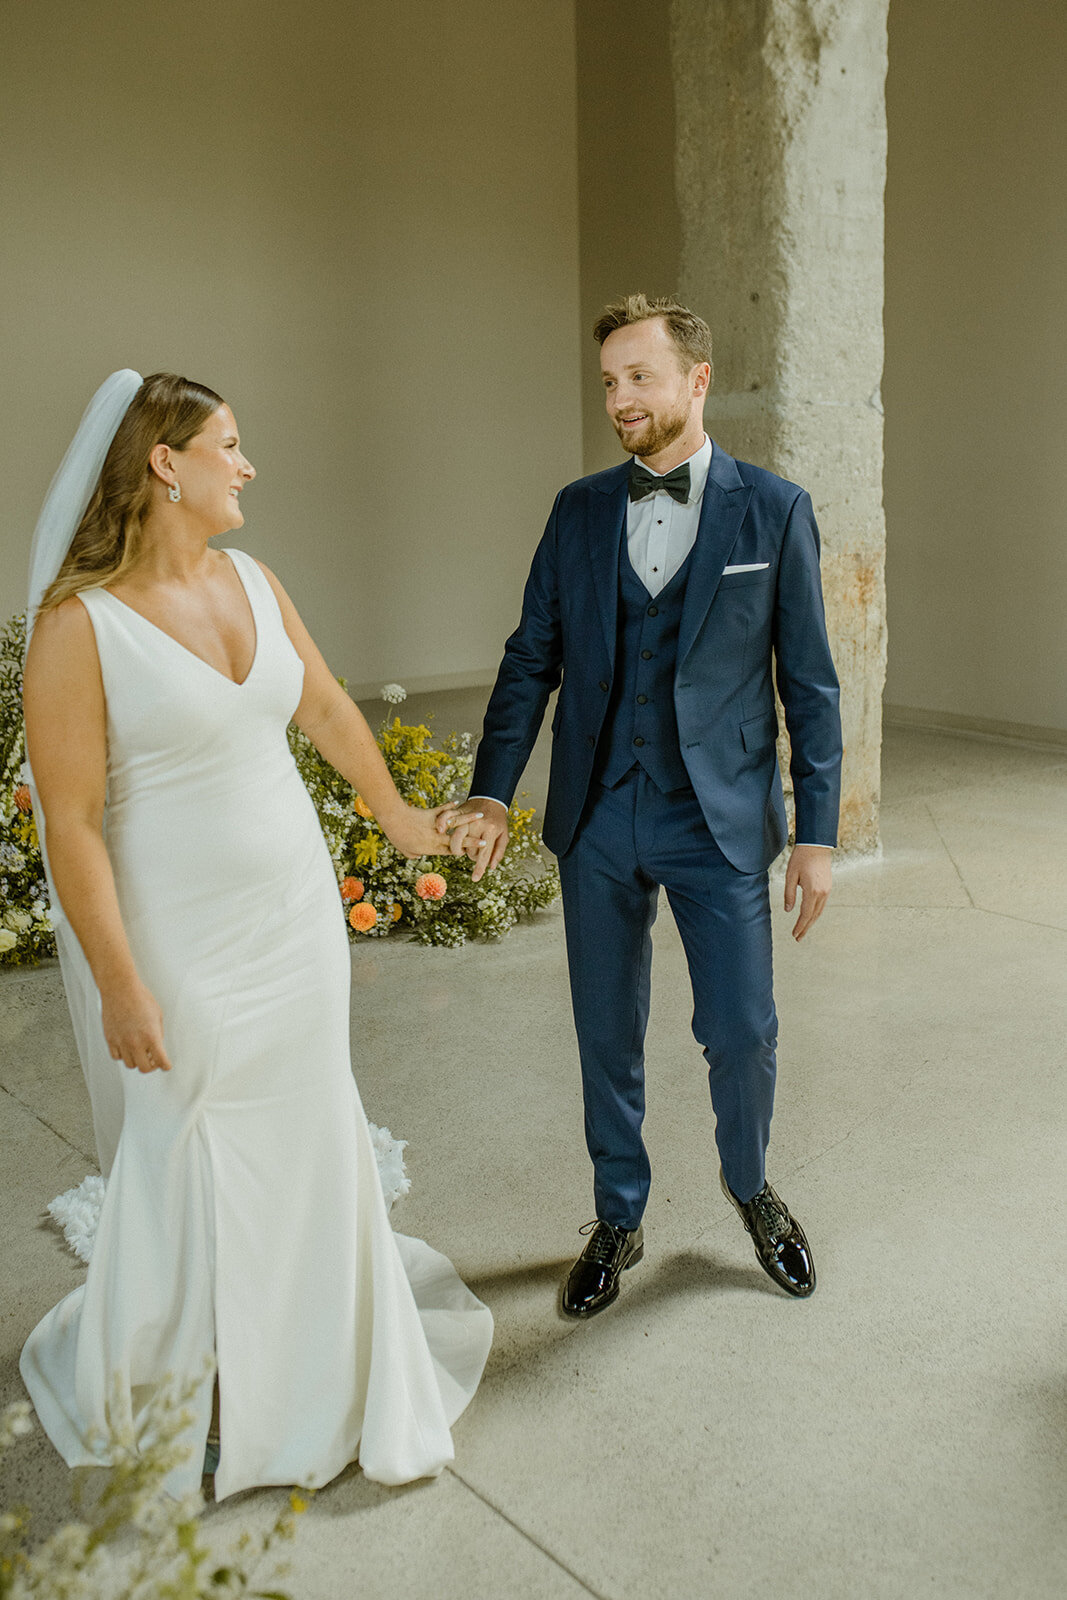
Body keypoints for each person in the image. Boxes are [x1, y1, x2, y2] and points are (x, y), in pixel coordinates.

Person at [20, 370, 492, 1499]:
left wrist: (407, 824)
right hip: (179, 939)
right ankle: (205, 1390)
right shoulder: (75, 629)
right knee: (194, 1140)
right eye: (226, 444)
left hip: (293, 918)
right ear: (164, 464)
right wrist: (119, 981)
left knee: (305, 1121)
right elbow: (73, 824)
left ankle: (324, 1375)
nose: (246, 464)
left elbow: (325, 708)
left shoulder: (253, 577)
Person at [439, 295, 842, 1317]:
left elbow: (809, 684)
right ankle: (617, 1210)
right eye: (608, 380)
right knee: (605, 1030)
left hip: (717, 817)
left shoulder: (774, 510)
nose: (618, 398)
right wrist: (491, 787)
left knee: (741, 1028)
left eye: (638, 377)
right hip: (599, 817)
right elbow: (531, 657)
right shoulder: (576, 510)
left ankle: (748, 1186)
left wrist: (818, 833)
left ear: (694, 380)